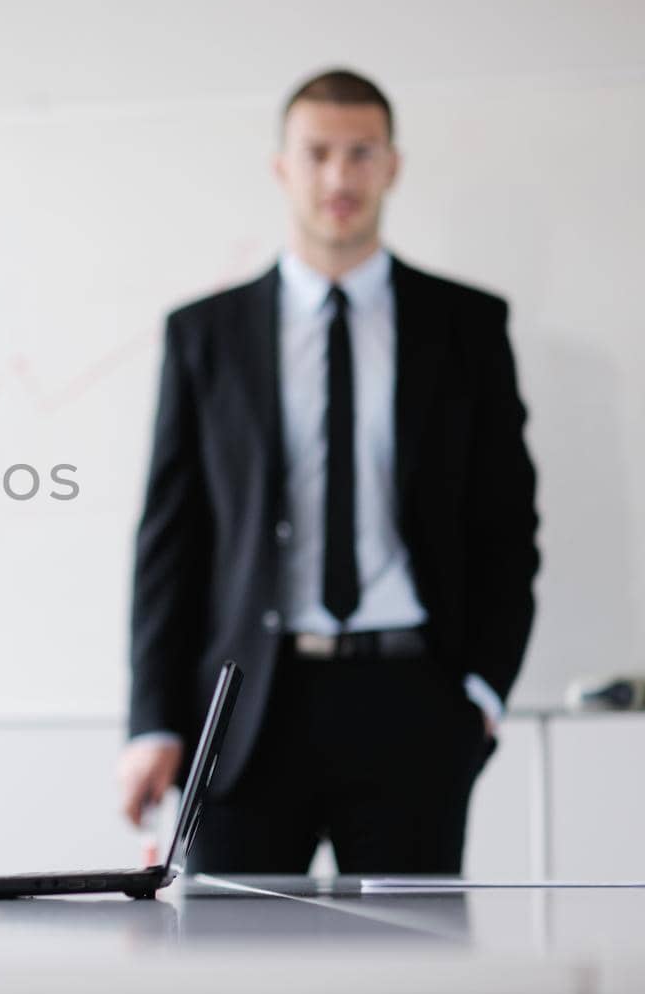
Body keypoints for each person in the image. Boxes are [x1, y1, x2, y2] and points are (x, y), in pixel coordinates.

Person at [118, 69, 539, 874]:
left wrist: (482, 691)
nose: (339, 177)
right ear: (283, 167)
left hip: (416, 702)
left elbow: (507, 524)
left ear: (393, 165)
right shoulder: (205, 335)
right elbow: (170, 543)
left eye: (361, 153)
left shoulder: (467, 326)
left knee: (417, 985)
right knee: (230, 976)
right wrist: (153, 723)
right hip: (246, 711)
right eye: (318, 154)